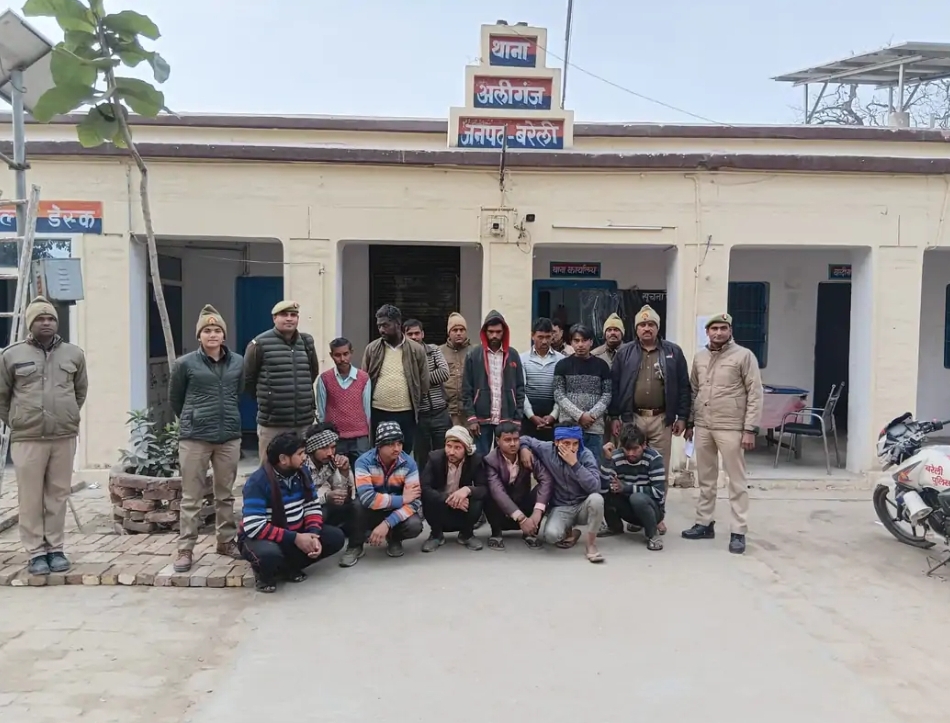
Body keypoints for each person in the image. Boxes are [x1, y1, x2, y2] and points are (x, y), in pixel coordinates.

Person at [0, 296, 87, 576]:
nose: (46, 323)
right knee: (30, 497)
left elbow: (80, 391)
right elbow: (2, 397)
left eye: (50, 318)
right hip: (28, 438)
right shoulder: (11, 356)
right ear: (30, 323)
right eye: (40, 318)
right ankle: (36, 552)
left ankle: (55, 548)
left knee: (57, 495)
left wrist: (66, 414)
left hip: (63, 436)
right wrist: (18, 420)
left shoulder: (74, 354)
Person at [170, 305, 244, 573]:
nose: (212, 335)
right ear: (199, 336)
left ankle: (225, 540)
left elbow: (239, 391)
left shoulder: (238, 362)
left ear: (224, 335)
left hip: (228, 436)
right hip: (195, 438)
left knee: (225, 494)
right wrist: (194, 417)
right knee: (192, 497)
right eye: (207, 330)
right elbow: (176, 399)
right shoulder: (184, 364)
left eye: (217, 330)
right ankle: (186, 548)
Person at [682, 313, 763, 555]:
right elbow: (693, 390)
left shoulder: (744, 356)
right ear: (707, 332)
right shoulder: (700, 357)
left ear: (730, 331)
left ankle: (738, 530)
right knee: (706, 478)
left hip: (731, 426)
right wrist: (690, 423)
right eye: (714, 328)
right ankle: (704, 523)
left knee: (736, 481)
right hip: (704, 426)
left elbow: (755, 393)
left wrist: (750, 429)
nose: (718, 332)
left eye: (723, 328)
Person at [608, 304, 690, 534]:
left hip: (662, 418)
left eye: (651, 324)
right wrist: (614, 416)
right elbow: (615, 386)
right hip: (632, 418)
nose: (647, 328)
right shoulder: (625, 352)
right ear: (636, 329)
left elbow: (684, 386)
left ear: (657, 327)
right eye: (642, 324)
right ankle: (635, 515)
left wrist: (682, 417)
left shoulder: (673, 352)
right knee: (631, 466)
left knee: (659, 469)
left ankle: (657, 514)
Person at [238, 432, 346, 593]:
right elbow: (254, 527)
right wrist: (295, 538)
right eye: (300, 454)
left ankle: (288, 567)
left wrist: (313, 534)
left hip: (294, 532)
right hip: (264, 537)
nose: (304, 457)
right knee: (269, 555)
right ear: (283, 459)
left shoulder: (302, 473)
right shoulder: (258, 482)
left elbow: (312, 506)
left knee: (335, 538)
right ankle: (265, 575)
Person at [243, 300, 320, 462]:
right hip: (273, 424)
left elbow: (311, 373)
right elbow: (248, 379)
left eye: (293, 315)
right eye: (284, 315)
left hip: (303, 422)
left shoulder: (306, 342)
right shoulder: (259, 344)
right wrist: (268, 400)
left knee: (304, 467)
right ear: (274, 318)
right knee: (269, 468)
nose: (289, 318)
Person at [519, 424, 605, 563]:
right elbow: (525, 438)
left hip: (583, 506)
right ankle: (570, 532)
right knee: (551, 536)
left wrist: (575, 464)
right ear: (556, 442)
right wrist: (524, 448)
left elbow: (595, 486)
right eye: (566, 443)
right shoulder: (547, 449)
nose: (571, 448)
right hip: (561, 507)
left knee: (597, 499)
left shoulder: (585, 455)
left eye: (575, 443)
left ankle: (591, 545)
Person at [360, 304, 428, 454]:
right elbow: (363, 380)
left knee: (403, 452)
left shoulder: (416, 349)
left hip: (406, 412)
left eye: (385, 325)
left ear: (397, 324)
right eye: (379, 326)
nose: (381, 330)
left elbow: (424, 381)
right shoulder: (372, 349)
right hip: (379, 411)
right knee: (380, 452)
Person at [353, 421, 425, 557]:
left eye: (399, 443)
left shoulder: (409, 463)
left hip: (394, 510)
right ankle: (355, 545)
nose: (397, 449)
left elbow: (415, 502)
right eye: (391, 444)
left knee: (414, 524)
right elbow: (368, 499)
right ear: (379, 446)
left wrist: (387, 523)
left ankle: (394, 538)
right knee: (357, 505)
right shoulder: (363, 462)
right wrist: (403, 499)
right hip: (371, 510)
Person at [461, 309, 525, 456]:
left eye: (498, 332)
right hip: (480, 420)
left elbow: (520, 388)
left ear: (504, 332)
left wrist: (517, 418)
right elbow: (466, 389)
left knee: (505, 459)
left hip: (507, 418)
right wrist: (471, 418)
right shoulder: (474, 355)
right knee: (479, 459)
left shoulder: (513, 355)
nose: (494, 335)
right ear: (485, 332)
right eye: (491, 332)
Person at [483, 422, 553, 551]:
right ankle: (496, 533)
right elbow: (497, 491)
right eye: (507, 440)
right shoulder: (490, 460)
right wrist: (521, 519)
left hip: (523, 503)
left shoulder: (526, 454)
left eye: (516, 439)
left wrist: (538, 511)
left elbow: (546, 479)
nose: (513, 444)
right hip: (501, 511)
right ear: (498, 441)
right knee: (489, 492)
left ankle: (530, 532)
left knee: (545, 488)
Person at [303, 422, 364, 568]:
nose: (330, 453)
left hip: (330, 506)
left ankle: (355, 547)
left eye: (333, 447)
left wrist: (344, 471)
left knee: (358, 505)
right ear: (312, 448)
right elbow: (301, 500)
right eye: (324, 448)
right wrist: (326, 497)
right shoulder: (301, 465)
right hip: (308, 511)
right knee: (320, 512)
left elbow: (346, 496)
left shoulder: (331, 461)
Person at [420, 426, 486, 552]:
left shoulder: (475, 460)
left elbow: (484, 488)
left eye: (457, 448)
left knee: (477, 499)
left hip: (463, 505)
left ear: (466, 449)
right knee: (428, 498)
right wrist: (449, 498)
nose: (451, 452)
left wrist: (467, 490)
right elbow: (424, 488)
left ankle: (467, 534)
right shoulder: (435, 458)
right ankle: (436, 535)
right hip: (441, 503)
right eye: (448, 446)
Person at [599, 424, 666, 551]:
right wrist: (607, 460)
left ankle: (652, 535)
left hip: (652, 510)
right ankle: (614, 527)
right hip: (628, 508)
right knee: (607, 493)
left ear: (644, 445)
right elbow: (601, 489)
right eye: (627, 449)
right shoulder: (616, 457)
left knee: (637, 498)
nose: (630, 453)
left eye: (635, 449)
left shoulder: (654, 458)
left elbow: (658, 493)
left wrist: (626, 488)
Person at [552, 324, 612, 461]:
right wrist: (579, 416)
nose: (580, 345)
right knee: (566, 466)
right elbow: (559, 394)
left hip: (594, 428)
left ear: (591, 342)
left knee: (592, 466)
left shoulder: (602, 366)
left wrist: (591, 415)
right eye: (576, 340)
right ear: (571, 342)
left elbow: (607, 394)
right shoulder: (562, 365)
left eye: (584, 340)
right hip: (568, 427)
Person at [404, 319, 452, 466]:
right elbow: (404, 381)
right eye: (410, 334)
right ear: (404, 336)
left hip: (440, 412)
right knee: (421, 458)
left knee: (444, 455)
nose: (414, 337)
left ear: (422, 334)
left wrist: (417, 381)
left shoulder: (433, 350)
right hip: (419, 416)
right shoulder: (402, 356)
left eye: (417, 333)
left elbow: (444, 373)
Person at [317, 337, 372, 466]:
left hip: (360, 438)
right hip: (335, 438)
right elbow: (321, 411)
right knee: (336, 473)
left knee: (362, 471)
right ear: (331, 355)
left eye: (345, 354)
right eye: (337, 355)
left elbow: (367, 410)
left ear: (351, 353)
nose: (342, 359)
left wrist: (367, 435)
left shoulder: (363, 378)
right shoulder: (325, 379)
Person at [521, 317, 563, 442]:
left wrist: (553, 415)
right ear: (532, 336)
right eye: (540, 337)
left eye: (548, 337)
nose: (544, 341)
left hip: (553, 418)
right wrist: (531, 416)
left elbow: (561, 392)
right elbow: (521, 390)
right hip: (528, 418)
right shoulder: (522, 359)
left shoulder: (561, 360)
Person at [441, 312, 472, 427]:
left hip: (469, 412)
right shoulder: (439, 352)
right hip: (447, 411)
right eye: (455, 330)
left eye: (462, 330)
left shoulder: (474, 352)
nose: (459, 333)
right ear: (449, 332)